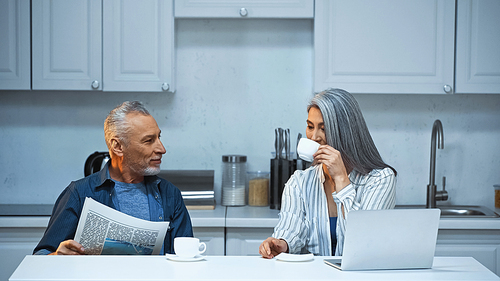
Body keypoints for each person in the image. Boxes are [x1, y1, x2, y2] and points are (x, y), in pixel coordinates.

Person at [33, 101, 193, 255]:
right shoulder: (78, 194)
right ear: (118, 146)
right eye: (149, 141)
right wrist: (56, 256)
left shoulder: (170, 194)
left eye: (159, 137)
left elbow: (187, 257)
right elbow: (41, 256)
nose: (162, 149)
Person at [259, 88, 397, 258]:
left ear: (346, 133)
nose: (314, 136)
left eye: (323, 129)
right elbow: (290, 229)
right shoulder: (299, 182)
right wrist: (281, 243)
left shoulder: (380, 180)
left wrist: (341, 178)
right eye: (310, 126)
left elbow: (364, 243)